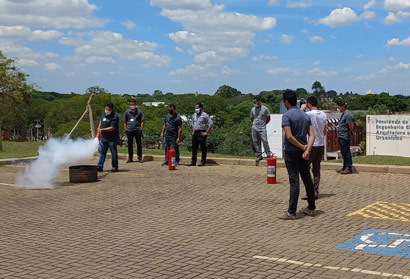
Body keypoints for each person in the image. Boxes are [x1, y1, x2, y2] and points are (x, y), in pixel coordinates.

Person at [280, 89, 316, 219]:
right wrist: (307, 149)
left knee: (294, 180)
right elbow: (312, 135)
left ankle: (292, 211)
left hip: (291, 151)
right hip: (303, 152)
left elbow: (289, 136)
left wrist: (302, 147)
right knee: (307, 178)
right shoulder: (305, 116)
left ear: (286, 102)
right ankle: (311, 207)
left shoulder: (286, 116)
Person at [301, 96, 327, 200]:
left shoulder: (308, 114)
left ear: (308, 104)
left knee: (305, 168)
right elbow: (325, 131)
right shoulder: (324, 114)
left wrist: (302, 108)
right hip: (321, 144)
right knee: (316, 169)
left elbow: (297, 115)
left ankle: (310, 191)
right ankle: (315, 190)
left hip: (311, 145)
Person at [188, 102, 213, 167]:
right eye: (195, 108)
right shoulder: (194, 115)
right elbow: (193, 123)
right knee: (194, 148)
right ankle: (193, 161)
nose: (196, 109)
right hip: (195, 132)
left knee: (203, 148)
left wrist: (207, 132)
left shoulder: (205, 115)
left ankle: (203, 161)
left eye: (197, 108)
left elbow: (210, 123)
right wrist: (193, 131)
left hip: (202, 132)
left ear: (201, 108)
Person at [97, 102, 119, 172]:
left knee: (113, 153)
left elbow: (112, 128)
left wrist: (102, 130)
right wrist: (99, 128)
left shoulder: (115, 116)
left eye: (108, 110)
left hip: (112, 139)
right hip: (103, 138)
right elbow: (101, 120)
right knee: (102, 153)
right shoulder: (104, 113)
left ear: (111, 110)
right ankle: (100, 166)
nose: (106, 111)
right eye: (106, 109)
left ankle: (115, 167)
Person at [251, 96, 271, 161]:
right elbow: (252, 118)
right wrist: (254, 124)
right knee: (256, 141)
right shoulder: (253, 109)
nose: (254, 104)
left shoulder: (265, 109)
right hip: (254, 127)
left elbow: (268, 118)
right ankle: (259, 155)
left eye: (255, 102)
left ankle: (268, 154)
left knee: (265, 141)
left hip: (262, 128)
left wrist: (264, 124)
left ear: (258, 101)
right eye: (253, 103)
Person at [124, 99, 144, 163]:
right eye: (131, 104)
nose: (132, 106)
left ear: (135, 104)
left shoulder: (140, 112)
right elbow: (125, 121)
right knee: (129, 144)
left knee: (139, 144)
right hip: (129, 130)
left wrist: (141, 129)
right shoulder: (127, 112)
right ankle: (130, 158)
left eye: (133, 104)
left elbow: (142, 121)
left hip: (137, 130)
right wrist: (125, 129)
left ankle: (140, 158)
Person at [337, 100, 354, 174]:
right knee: (343, 152)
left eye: (339, 107)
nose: (338, 108)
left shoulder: (348, 114)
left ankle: (348, 167)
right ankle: (344, 166)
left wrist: (351, 131)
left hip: (345, 136)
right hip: (341, 136)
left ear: (343, 107)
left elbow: (350, 126)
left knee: (346, 152)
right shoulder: (343, 114)